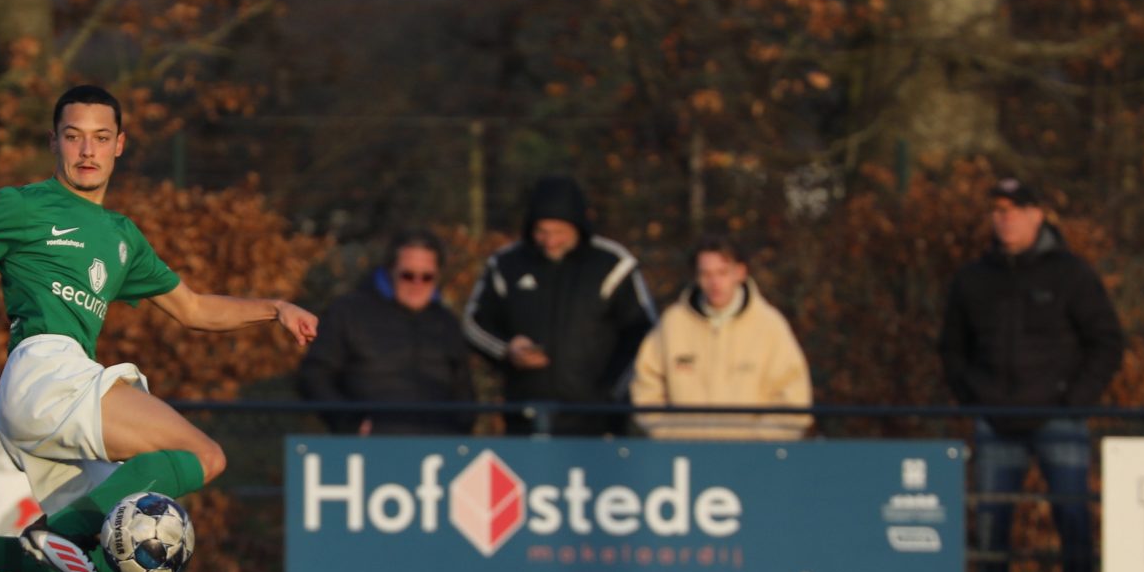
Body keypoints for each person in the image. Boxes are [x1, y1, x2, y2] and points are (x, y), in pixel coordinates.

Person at [0, 83, 318, 572]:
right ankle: (54, 535)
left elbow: (194, 308)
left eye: (101, 138)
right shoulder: (23, 205)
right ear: (54, 142)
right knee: (202, 454)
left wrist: (275, 308)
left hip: (44, 405)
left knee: (123, 561)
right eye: (74, 136)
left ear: (119, 145)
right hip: (43, 371)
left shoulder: (123, 237)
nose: (87, 150)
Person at [938, 177, 1125, 572]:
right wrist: (975, 399)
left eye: (1014, 210)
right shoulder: (973, 278)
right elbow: (951, 348)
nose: (1004, 219)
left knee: (1073, 521)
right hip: (996, 420)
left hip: (1058, 418)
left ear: (1037, 215)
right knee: (991, 526)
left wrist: (1074, 401)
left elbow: (1106, 341)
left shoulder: (1071, 274)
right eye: (997, 210)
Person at [462, 175, 656, 436]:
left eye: (559, 232)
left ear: (578, 226)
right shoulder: (507, 264)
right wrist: (508, 350)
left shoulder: (612, 264)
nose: (550, 241)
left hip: (597, 423)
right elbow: (474, 322)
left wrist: (610, 395)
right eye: (542, 232)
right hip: (525, 420)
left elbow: (644, 334)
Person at [630, 234, 813, 440]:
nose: (715, 282)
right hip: (684, 455)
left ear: (740, 272)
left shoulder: (770, 326)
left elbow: (794, 399)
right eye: (706, 274)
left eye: (722, 272)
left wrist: (758, 444)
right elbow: (645, 387)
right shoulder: (673, 324)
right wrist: (672, 435)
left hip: (752, 456)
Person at [296, 231, 476, 435]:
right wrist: (348, 421)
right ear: (390, 270)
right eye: (408, 275)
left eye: (427, 277)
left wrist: (458, 430)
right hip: (367, 445)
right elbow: (314, 375)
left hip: (438, 444)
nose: (417, 284)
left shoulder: (447, 322)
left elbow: (464, 389)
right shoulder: (348, 313)